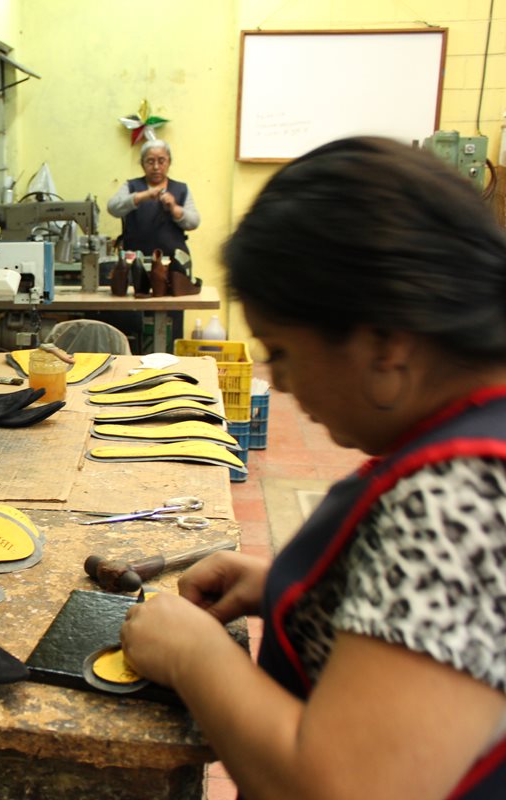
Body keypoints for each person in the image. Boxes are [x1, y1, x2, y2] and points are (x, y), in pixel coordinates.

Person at [119, 137, 506, 799]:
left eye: (285, 353)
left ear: (385, 347)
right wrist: (301, 590)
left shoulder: (464, 493)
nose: (286, 384)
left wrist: (195, 655)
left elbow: (344, 786)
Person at [104, 138, 201, 344]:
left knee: (170, 322)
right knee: (133, 321)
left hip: (171, 270)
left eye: (161, 160)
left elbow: (194, 221)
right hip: (136, 267)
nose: (156, 166)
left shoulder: (180, 189)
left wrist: (175, 208)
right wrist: (142, 196)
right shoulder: (132, 187)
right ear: (142, 164)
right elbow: (113, 207)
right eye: (150, 161)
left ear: (169, 162)